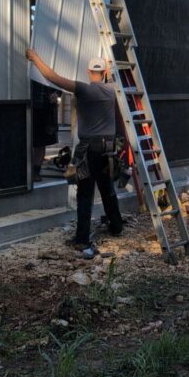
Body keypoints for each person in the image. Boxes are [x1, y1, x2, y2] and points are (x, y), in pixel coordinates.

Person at [26, 48, 124, 250]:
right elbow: (117, 75)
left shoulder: (84, 89)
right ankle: (116, 227)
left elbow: (52, 77)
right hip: (108, 148)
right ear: (105, 72)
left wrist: (35, 57)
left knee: (85, 193)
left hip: (88, 149)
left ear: (89, 72)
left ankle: (82, 239)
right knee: (107, 188)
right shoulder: (113, 89)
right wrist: (109, 66)